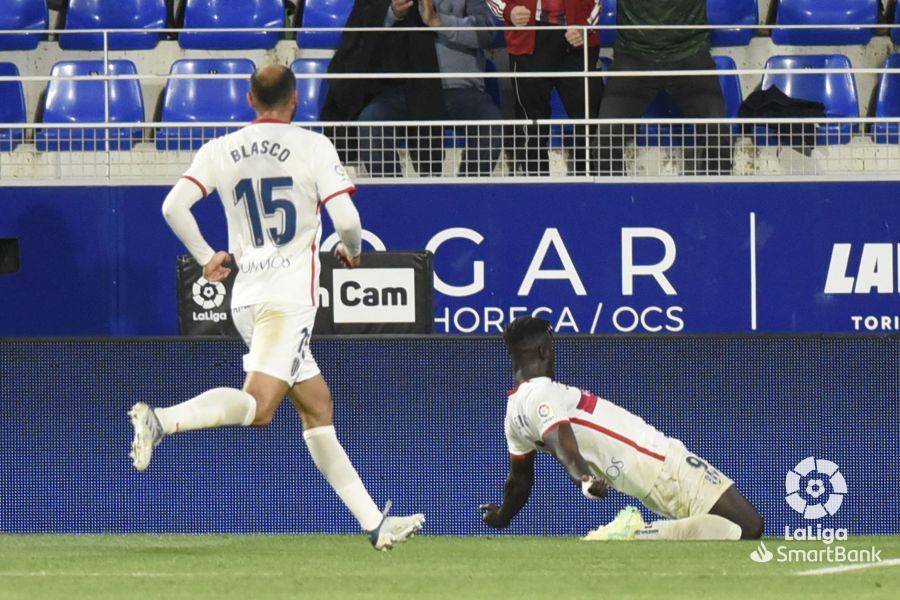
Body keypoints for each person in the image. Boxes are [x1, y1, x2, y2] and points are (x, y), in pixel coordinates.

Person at [130, 64, 425, 551]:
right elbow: (347, 219)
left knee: (317, 406)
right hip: (287, 302)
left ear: (250, 100)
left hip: (246, 297)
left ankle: (376, 523)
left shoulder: (220, 149)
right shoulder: (313, 145)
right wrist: (352, 248)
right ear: (295, 101)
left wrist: (207, 259)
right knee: (261, 408)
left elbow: (172, 207)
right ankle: (161, 419)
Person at [479, 316, 763, 541]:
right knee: (750, 525)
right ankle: (635, 533)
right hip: (660, 461)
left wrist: (502, 517)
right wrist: (584, 480)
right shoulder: (543, 392)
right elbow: (562, 444)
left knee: (732, 528)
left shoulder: (514, 411)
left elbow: (520, 482)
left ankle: (644, 533)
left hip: (645, 477)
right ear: (544, 350)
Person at [355, 0, 503, 176]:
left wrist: (437, 21)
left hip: (459, 91)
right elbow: (362, 37)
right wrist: (392, 14)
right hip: (405, 90)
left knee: (490, 122)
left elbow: (486, 32)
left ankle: (466, 197)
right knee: (370, 121)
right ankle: (395, 198)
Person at [597, 0, 730, 176]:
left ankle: (716, 198)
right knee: (605, 139)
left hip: (691, 54)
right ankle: (611, 199)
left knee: (717, 134)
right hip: (632, 56)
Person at [488, 0, 603, 176]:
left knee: (589, 120)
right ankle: (535, 191)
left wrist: (586, 27)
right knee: (532, 123)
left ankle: (592, 188)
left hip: (578, 37)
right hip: (528, 38)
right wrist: (508, 11)